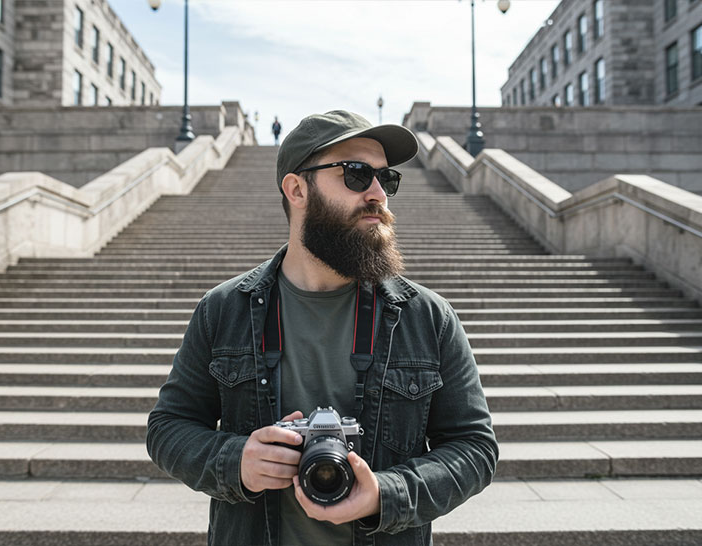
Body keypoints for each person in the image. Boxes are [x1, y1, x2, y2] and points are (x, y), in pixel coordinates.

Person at [147, 110, 498, 546]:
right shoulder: (223, 309)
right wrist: (236, 460)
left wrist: (385, 495)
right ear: (297, 189)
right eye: (356, 174)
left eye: (385, 179)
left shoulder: (426, 316)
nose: (377, 194)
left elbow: (475, 449)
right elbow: (168, 428)